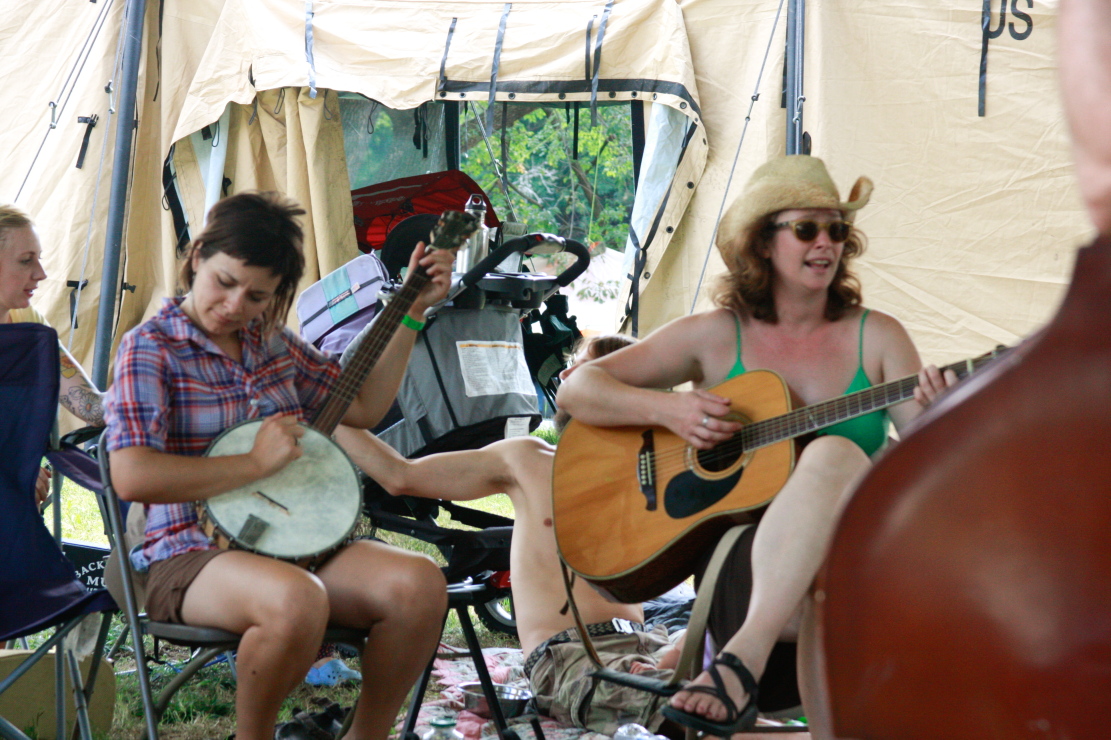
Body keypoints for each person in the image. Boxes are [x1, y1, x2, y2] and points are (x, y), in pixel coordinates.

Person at [556, 155, 957, 737]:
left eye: (837, 230)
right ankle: (748, 665)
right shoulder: (718, 334)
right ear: (763, 243)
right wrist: (671, 410)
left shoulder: (878, 336)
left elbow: (926, 465)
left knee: (834, 462)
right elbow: (578, 389)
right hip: (744, 572)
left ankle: (738, 666)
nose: (826, 243)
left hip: (855, 564)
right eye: (807, 228)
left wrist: (941, 419)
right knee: (834, 484)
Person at [103, 192, 453, 740]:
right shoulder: (149, 349)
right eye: (224, 282)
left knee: (419, 584)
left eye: (257, 296)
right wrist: (253, 464)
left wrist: (412, 312)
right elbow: (132, 475)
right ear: (197, 256)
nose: (234, 305)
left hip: (298, 544)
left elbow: (363, 406)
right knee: (296, 598)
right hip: (189, 554)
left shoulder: (271, 343)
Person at [335, 334, 690, 737]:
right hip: (572, 657)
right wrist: (325, 411)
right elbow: (399, 475)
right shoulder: (528, 459)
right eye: (570, 366)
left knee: (736, 682)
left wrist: (682, 650)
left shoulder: (654, 474)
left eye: (584, 369)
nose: (565, 376)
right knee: (694, 712)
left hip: (652, 641)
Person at [0, 205, 105, 506]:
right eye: (26, 261)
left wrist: (150, 397)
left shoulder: (29, 323)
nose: (41, 274)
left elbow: (90, 406)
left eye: (39, 259)